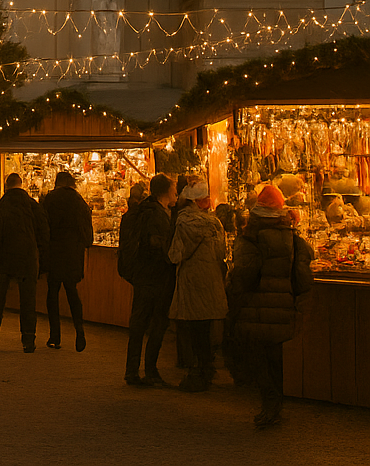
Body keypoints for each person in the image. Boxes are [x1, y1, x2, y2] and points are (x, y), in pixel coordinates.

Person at [228, 182, 314, 428]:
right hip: (281, 306)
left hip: (254, 306)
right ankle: (275, 405)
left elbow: (243, 276)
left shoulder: (250, 238)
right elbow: (303, 275)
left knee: (259, 358)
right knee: (275, 358)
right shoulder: (291, 238)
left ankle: (269, 404)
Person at [0, 173, 49, 352]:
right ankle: (28, 339)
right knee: (28, 301)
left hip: (3, 258)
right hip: (27, 258)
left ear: (6, 186)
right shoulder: (32, 206)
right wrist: (39, 253)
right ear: (21, 184)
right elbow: (44, 232)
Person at [168, 179, 227, 392]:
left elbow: (176, 254)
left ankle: (197, 372)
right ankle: (206, 368)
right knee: (206, 328)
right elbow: (221, 253)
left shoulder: (183, 222)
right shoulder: (215, 224)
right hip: (210, 280)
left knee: (194, 328)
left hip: (191, 280)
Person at [124, 172, 177, 386]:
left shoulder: (143, 210)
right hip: (156, 277)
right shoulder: (157, 215)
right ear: (165, 192)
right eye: (174, 191)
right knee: (157, 324)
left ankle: (132, 370)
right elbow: (159, 246)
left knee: (138, 324)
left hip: (142, 275)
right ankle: (150, 370)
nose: (176, 194)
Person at [43, 169, 94, 351]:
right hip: (73, 252)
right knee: (72, 291)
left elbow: (44, 226)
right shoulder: (79, 201)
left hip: (54, 251)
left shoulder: (50, 199)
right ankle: (79, 331)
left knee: (53, 292)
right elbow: (87, 233)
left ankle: (55, 335)